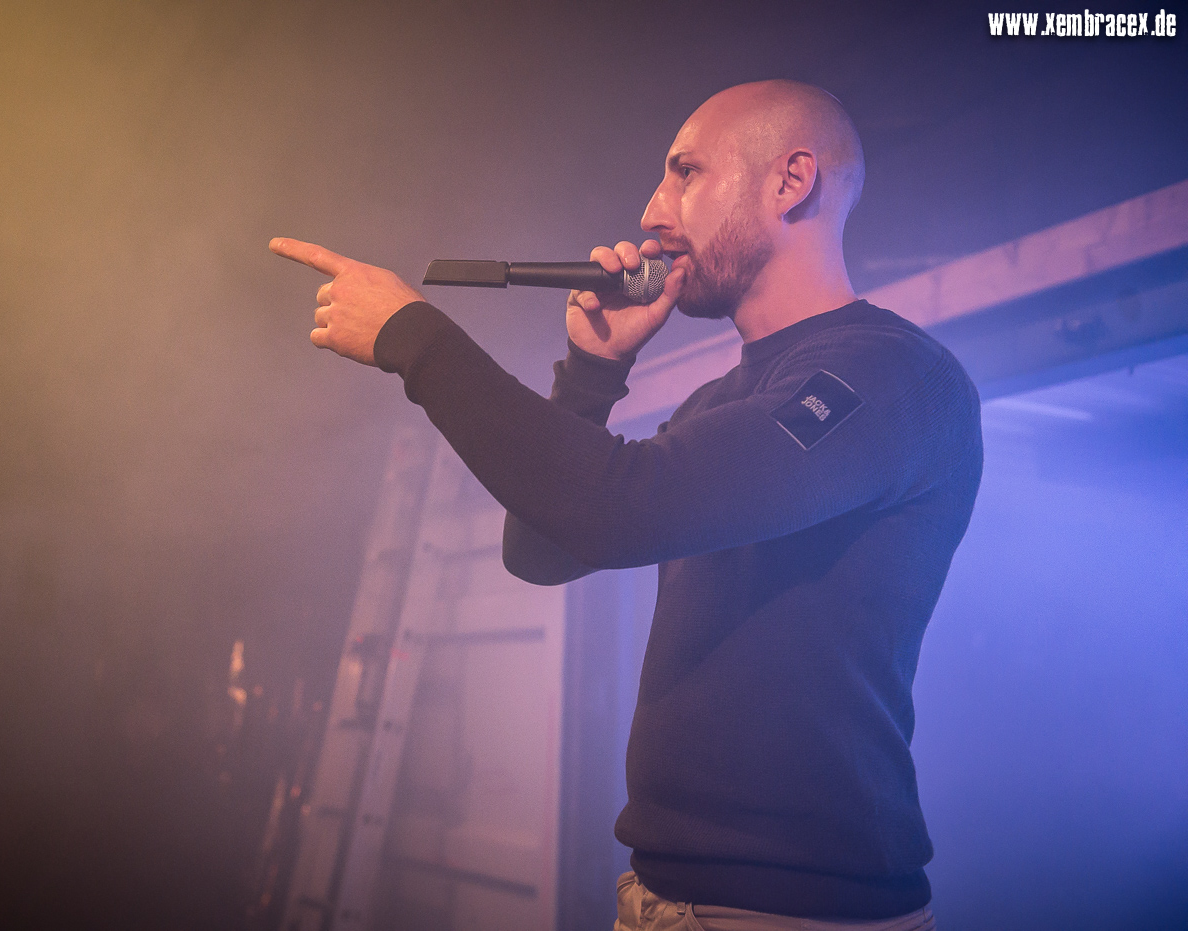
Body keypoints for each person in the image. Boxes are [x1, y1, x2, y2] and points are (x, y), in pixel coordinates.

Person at [270, 80, 981, 931]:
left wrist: (415, 337)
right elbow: (543, 551)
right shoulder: (721, 401)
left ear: (791, 181)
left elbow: (617, 508)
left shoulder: (891, 375)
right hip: (662, 894)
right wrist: (592, 372)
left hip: (797, 909)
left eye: (686, 172)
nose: (651, 211)